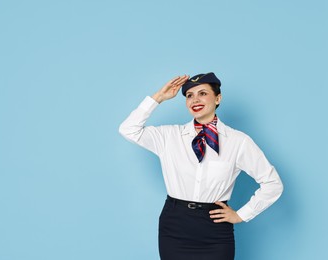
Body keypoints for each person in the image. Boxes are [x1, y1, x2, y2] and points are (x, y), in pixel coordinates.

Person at [118, 73, 284, 260]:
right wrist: (158, 98)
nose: (195, 99)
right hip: (175, 225)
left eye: (203, 93)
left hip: (215, 229)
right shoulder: (169, 136)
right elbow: (128, 129)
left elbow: (272, 183)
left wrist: (241, 215)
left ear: (218, 98)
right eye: (189, 95)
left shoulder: (238, 141)